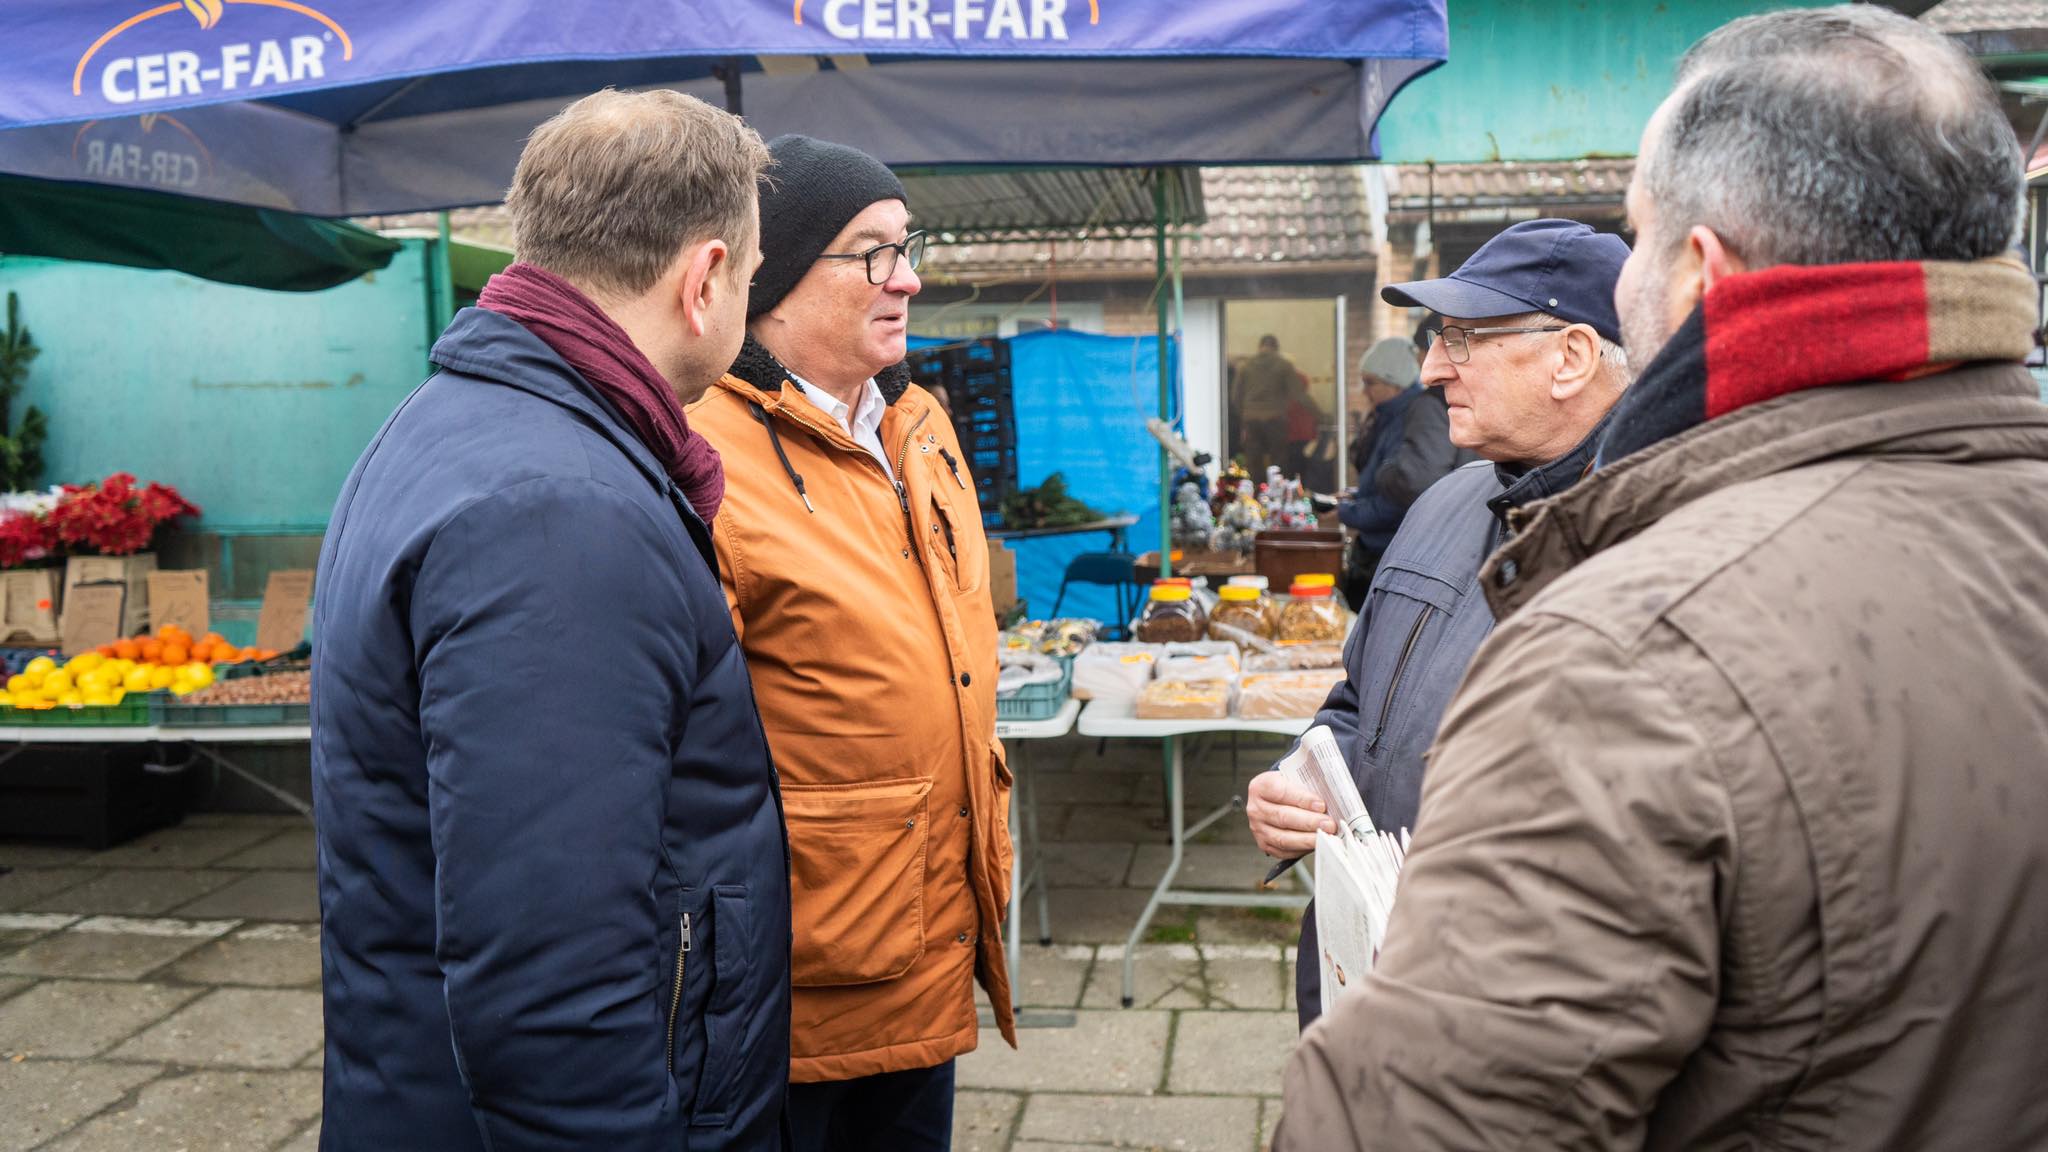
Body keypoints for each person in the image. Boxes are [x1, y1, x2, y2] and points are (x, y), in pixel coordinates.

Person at [1281, 8, 2048, 1148]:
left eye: (1634, 235)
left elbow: (1422, 1120)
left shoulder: (1625, 650)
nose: (1621, 275)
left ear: (1702, 273)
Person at [311, 91, 788, 1151]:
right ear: (704, 278)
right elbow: (551, 981)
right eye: (751, 280)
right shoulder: (558, 508)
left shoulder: (460, 413)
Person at [688, 134, 1013, 1152]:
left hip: (928, 941)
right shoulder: (703, 457)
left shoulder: (916, 425)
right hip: (805, 978)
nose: (906, 277)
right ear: (774, 278)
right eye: (870, 251)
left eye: (906, 246)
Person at [1247, 219, 1631, 1028]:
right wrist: (1297, 783)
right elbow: (1356, 702)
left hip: (1504, 1031)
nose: (1430, 369)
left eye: (1461, 338)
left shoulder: (1659, 546)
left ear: (1571, 357)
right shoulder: (1447, 503)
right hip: (1363, 993)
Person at [1335, 337, 1467, 606]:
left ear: (1393, 382)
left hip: (1391, 552)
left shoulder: (1414, 416)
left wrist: (1346, 512)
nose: (1364, 391)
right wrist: (1358, 496)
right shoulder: (1389, 416)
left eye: (1370, 383)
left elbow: (1403, 495)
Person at [1232, 334, 1300, 474]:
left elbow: (1236, 396)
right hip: (1275, 418)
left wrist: (1245, 413)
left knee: (1253, 460)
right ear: (1276, 348)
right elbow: (1298, 393)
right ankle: (1277, 492)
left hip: (1251, 419)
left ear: (1260, 347)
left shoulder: (1246, 366)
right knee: (1278, 460)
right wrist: (1320, 415)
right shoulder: (1284, 365)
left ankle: (1256, 492)